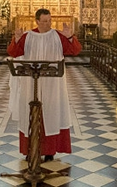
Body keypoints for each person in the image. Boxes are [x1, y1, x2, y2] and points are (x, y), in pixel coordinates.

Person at [7, 8, 81, 161]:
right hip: (31, 82)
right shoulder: (27, 36)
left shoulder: (58, 36)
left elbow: (75, 51)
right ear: (37, 21)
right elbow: (13, 52)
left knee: (51, 113)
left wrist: (70, 37)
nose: (48, 24)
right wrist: (16, 39)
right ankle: (30, 150)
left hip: (53, 84)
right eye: (45, 21)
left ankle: (49, 151)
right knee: (31, 113)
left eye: (49, 21)